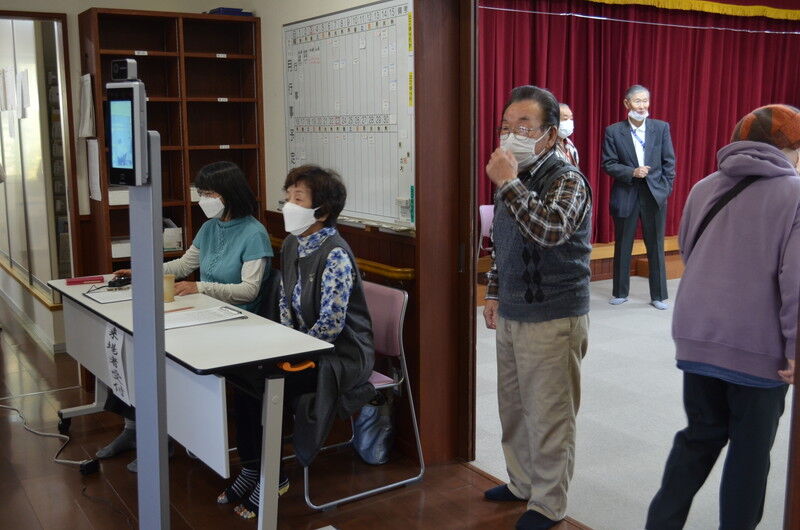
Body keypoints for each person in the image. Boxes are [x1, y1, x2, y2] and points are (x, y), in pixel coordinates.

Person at [645, 104, 799, 530]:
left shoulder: (704, 186)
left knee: (699, 437)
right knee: (750, 454)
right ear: (793, 148)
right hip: (758, 348)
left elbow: (689, 251)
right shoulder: (795, 194)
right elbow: (795, 281)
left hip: (698, 336)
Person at [97, 161, 272, 472]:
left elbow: (248, 291)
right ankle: (135, 429)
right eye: (201, 192)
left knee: (164, 356)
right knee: (135, 344)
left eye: (209, 193)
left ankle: (164, 437)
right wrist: (142, 271)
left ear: (229, 193)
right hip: (205, 314)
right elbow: (183, 265)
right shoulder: (210, 228)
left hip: (236, 324)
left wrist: (199, 286)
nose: (203, 199)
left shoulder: (254, 233)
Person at [229, 164, 375, 520]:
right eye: (288, 197)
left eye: (298, 199)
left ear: (321, 211)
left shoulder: (335, 253)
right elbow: (285, 300)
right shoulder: (294, 243)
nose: (288, 205)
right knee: (241, 375)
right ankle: (252, 466)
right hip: (301, 345)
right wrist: (282, 340)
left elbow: (331, 325)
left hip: (340, 355)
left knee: (267, 382)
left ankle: (273, 476)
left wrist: (290, 350)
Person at [482, 85, 591, 530]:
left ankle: (548, 503)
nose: (512, 135)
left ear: (550, 134)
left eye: (524, 127)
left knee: (550, 415)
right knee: (513, 407)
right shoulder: (515, 174)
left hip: (554, 314)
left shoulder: (566, 178)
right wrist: (493, 291)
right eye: (506, 126)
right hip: (512, 309)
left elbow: (550, 230)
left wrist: (508, 183)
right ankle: (521, 482)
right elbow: (503, 241)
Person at [601, 84, 675, 309]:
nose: (642, 106)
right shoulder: (614, 131)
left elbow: (669, 162)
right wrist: (632, 172)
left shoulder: (661, 128)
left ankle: (658, 296)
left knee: (656, 244)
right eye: (637, 101)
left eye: (645, 101)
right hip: (627, 192)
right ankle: (620, 292)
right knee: (623, 243)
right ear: (627, 104)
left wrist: (665, 188)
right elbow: (608, 164)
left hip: (654, 194)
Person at [555, 102, 579, 168]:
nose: (569, 122)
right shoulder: (547, 146)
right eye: (565, 119)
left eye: (571, 119)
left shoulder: (569, 144)